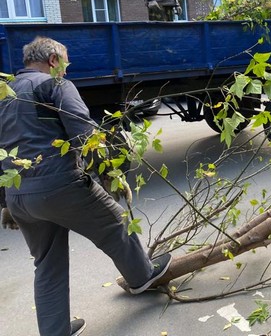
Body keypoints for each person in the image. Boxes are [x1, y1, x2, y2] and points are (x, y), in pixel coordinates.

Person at [0, 37, 171, 336]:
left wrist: (5, 202)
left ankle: (55, 331)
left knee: (47, 264)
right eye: (65, 61)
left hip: (19, 197)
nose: (67, 69)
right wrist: (110, 174)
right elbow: (85, 134)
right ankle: (142, 276)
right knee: (117, 223)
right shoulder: (55, 85)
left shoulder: (4, 95)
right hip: (60, 186)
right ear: (53, 60)